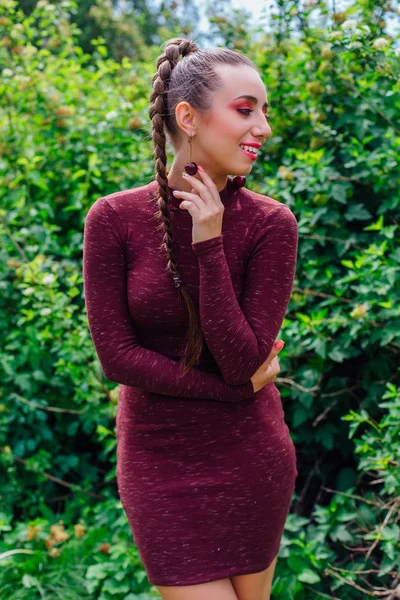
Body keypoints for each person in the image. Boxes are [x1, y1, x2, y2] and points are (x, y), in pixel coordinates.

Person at [83, 36, 299, 600]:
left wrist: (210, 241)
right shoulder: (113, 219)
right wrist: (233, 393)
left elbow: (241, 362)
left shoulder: (271, 225)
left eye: (265, 113)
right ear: (188, 117)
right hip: (160, 462)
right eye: (245, 110)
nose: (263, 129)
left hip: (251, 459)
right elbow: (117, 358)